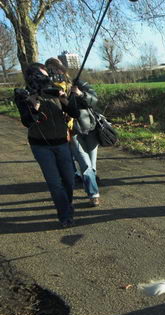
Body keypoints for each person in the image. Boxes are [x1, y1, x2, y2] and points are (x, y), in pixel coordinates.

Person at [14, 62, 80, 227]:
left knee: (69, 180)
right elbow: (27, 122)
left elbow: (75, 113)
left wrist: (64, 99)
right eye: (40, 76)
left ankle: (67, 204)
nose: (44, 79)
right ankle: (65, 215)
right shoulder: (23, 94)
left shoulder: (55, 89)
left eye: (45, 76)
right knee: (54, 183)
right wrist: (34, 107)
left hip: (62, 142)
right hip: (40, 146)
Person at [45, 58, 101, 207]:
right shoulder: (48, 89)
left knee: (92, 165)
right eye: (50, 69)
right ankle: (93, 193)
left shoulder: (77, 83)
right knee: (85, 164)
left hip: (89, 127)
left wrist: (80, 94)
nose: (54, 72)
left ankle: (90, 183)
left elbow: (95, 100)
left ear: (62, 69)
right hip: (72, 131)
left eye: (56, 68)